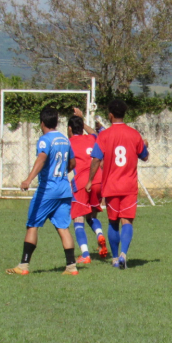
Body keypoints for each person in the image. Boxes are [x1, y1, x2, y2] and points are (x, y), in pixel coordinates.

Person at [7, 107, 78, 276]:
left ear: (42, 123)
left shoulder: (45, 140)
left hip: (48, 190)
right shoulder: (65, 140)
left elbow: (42, 158)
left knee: (32, 225)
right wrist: (61, 172)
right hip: (64, 189)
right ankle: (71, 267)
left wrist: (28, 179)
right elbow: (73, 163)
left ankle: (23, 266)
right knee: (63, 228)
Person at [88, 99, 148, 270]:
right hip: (129, 186)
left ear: (110, 115)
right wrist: (146, 146)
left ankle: (114, 259)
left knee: (113, 222)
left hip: (111, 186)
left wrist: (90, 180)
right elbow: (144, 156)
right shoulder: (134, 134)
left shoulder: (104, 135)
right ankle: (124, 254)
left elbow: (96, 159)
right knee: (127, 222)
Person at [68, 107, 108, 263]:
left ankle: (85, 254)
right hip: (99, 180)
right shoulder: (91, 138)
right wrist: (83, 121)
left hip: (83, 182)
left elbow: (69, 164)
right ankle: (99, 234)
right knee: (91, 215)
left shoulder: (69, 142)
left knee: (78, 218)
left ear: (70, 129)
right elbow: (97, 134)